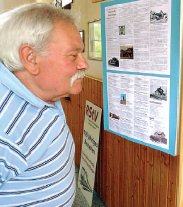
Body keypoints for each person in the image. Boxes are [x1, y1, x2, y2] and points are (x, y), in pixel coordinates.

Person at [0, 3, 88, 206]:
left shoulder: (41, 91)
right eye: (73, 55)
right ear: (31, 58)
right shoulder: (6, 127)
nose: (84, 64)